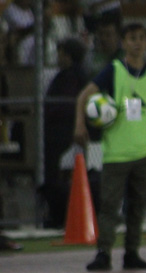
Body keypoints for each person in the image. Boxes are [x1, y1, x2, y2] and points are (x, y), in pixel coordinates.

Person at [74, 22, 146, 272]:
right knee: (110, 205)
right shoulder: (114, 70)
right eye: (132, 38)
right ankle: (103, 252)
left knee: (138, 205)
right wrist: (80, 124)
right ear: (124, 43)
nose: (137, 43)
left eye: (142, 38)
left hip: (144, 149)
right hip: (117, 151)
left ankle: (132, 252)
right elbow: (84, 95)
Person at [41, 37, 89, 229]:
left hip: (62, 130)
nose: (58, 57)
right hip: (61, 129)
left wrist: (50, 112)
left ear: (68, 56)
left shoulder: (71, 76)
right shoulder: (67, 75)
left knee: (53, 174)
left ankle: (59, 214)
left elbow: (65, 105)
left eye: (61, 54)